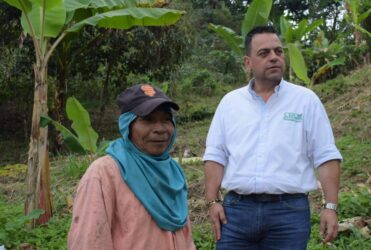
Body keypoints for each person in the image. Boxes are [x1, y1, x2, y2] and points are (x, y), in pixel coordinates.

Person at [203, 25, 342, 250]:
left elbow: (325, 155)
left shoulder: (305, 101)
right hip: (236, 212)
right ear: (248, 63)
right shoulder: (230, 103)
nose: (274, 58)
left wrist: (330, 206)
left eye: (278, 51)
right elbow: (215, 154)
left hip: (288, 213)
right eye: (264, 53)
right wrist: (212, 201)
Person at [68, 84, 196, 250]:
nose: (160, 129)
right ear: (127, 125)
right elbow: (90, 242)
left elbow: (185, 237)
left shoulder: (173, 172)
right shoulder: (104, 174)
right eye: (148, 120)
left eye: (166, 119)